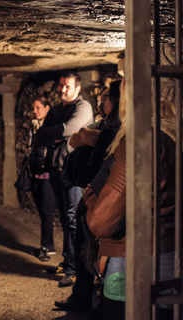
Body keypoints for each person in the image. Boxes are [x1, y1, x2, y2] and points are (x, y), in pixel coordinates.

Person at [85, 83, 177, 320]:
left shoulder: (141, 141)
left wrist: (92, 200)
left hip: (134, 263)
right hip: (172, 256)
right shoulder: (174, 136)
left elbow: (101, 222)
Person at [55, 80, 121, 313]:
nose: (102, 101)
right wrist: (87, 134)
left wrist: (90, 137)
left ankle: (102, 301)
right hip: (92, 192)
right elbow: (74, 139)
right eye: (101, 97)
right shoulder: (104, 123)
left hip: (106, 196)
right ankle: (82, 296)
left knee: (103, 249)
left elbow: (99, 149)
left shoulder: (118, 127)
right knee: (85, 245)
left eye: (106, 97)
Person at [33, 71, 93, 287]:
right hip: (56, 169)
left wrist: (57, 133)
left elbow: (70, 129)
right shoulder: (58, 109)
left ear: (77, 88)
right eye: (61, 86)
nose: (63, 90)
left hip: (73, 171)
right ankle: (68, 260)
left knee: (73, 220)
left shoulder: (83, 107)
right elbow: (42, 133)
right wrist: (57, 134)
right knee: (66, 221)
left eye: (67, 86)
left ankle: (74, 269)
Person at [28, 96, 57, 261]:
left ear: (47, 108)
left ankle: (48, 248)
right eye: (34, 107)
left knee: (46, 212)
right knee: (42, 211)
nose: (35, 111)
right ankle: (45, 245)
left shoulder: (52, 128)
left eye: (38, 107)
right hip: (36, 175)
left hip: (48, 177)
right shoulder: (34, 126)